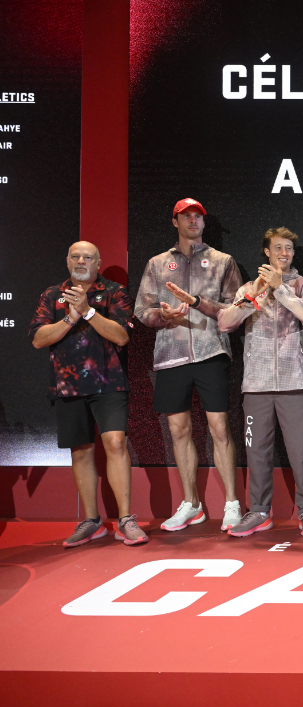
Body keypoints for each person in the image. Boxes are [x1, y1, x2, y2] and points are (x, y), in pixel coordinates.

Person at [136, 198, 243, 532]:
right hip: (171, 354)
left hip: (212, 353)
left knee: (220, 428)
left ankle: (232, 504)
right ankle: (192, 505)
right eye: (187, 216)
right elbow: (143, 310)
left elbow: (237, 310)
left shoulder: (222, 261)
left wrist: (201, 304)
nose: (194, 221)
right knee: (179, 430)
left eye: (198, 216)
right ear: (175, 221)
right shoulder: (157, 264)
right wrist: (162, 316)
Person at [30, 242, 147, 547]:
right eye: (76, 256)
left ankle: (125, 519)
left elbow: (122, 336)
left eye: (88, 257)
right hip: (67, 385)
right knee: (80, 450)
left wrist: (88, 311)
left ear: (98, 262)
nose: (81, 260)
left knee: (115, 442)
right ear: (67, 260)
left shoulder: (115, 292)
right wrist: (70, 317)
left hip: (109, 381)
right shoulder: (51, 294)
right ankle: (92, 522)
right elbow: (38, 339)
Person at [220, 227, 303, 538]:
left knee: (301, 450)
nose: (284, 253)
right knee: (257, 451)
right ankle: (259, 511)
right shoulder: (249, 287)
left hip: (297, 381)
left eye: (289, 248)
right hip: (256, 384)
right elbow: (225, 322)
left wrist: (282, 290)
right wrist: (256, 294)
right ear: (267, 251)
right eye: (278, 247)